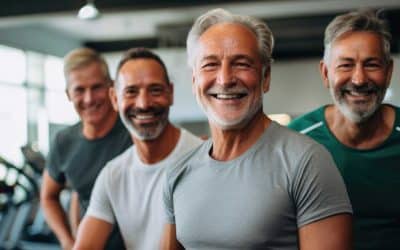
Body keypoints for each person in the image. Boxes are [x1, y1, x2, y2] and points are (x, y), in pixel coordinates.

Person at [161, 8, 353, 250]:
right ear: (194, 81)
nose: (225, 79)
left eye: (241, 63)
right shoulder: (178, 172)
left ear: (266, 77)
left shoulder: (307, 162)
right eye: (210, 65)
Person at [288, 9, 400, 250]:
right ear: (326, 73)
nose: (359, 79)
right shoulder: (296, 140)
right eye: (346, 65)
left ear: (388, 72)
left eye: (371, 64)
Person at [73, 48, 202, 250]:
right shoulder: (113, 175)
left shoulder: (203, 161)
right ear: (115, 99)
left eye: (155, 90)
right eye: (131, 92)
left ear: (170, 93)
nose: (143, 104)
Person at [40, 48, 131, 250]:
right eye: (79, 90)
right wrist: (67, 240)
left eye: (96, 87)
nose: (89, 99)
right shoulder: (64, 141)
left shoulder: (135, 132)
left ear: (111, 87)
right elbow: (48, 196)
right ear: (68, 94)